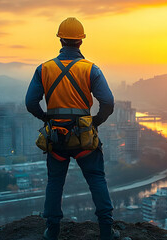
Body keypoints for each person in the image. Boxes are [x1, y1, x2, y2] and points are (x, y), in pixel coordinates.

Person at [25, 17, 115, 240]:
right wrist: (95, 122)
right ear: (81, 42)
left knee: (55, 182)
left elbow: (30, 103)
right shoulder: (90, 69)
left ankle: (52, 230)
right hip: (84, 138)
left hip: (56, 137)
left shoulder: (44, 69)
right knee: (96, 178)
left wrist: (46, 118)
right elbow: (108, 103)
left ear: (61, 39)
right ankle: (106, 231)